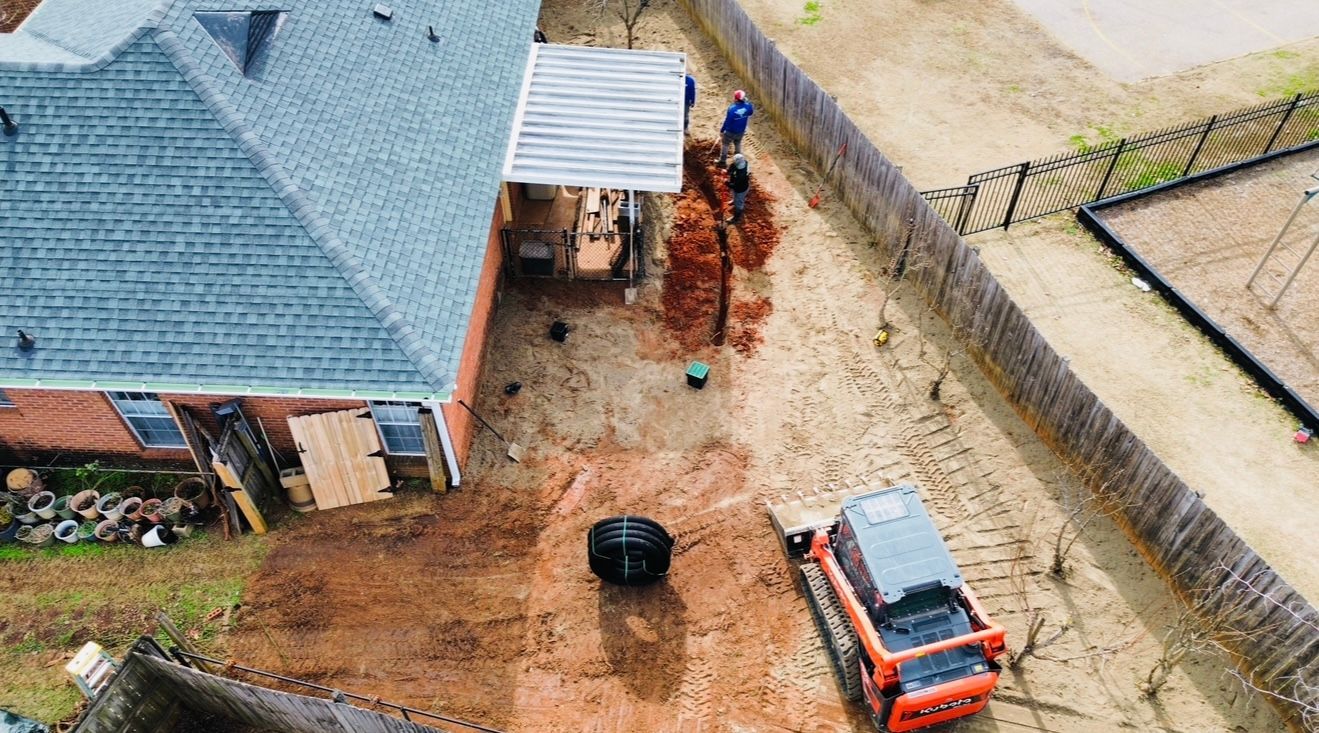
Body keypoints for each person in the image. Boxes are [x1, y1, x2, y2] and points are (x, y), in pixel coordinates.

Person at [718, 90, 754, 166]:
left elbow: (728, 121)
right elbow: (751, 112)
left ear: (736, 99)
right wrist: (746, 103)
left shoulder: (732, 108)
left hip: (730, 131)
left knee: (725, 144)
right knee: (737, 143)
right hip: (741, 131)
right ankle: (738, 160)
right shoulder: (748, 106)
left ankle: (722, 161)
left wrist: (722, 130)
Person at [727, 153, 750, 224]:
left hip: (741, 189)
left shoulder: (741, 174)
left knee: (739, 203)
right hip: (736, 186)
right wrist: (727, 171)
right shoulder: (742, 162)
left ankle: (736, 218)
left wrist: (727, 183)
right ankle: (734, 200)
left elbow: (735, 186)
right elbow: (732, 166)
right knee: (734, 193)